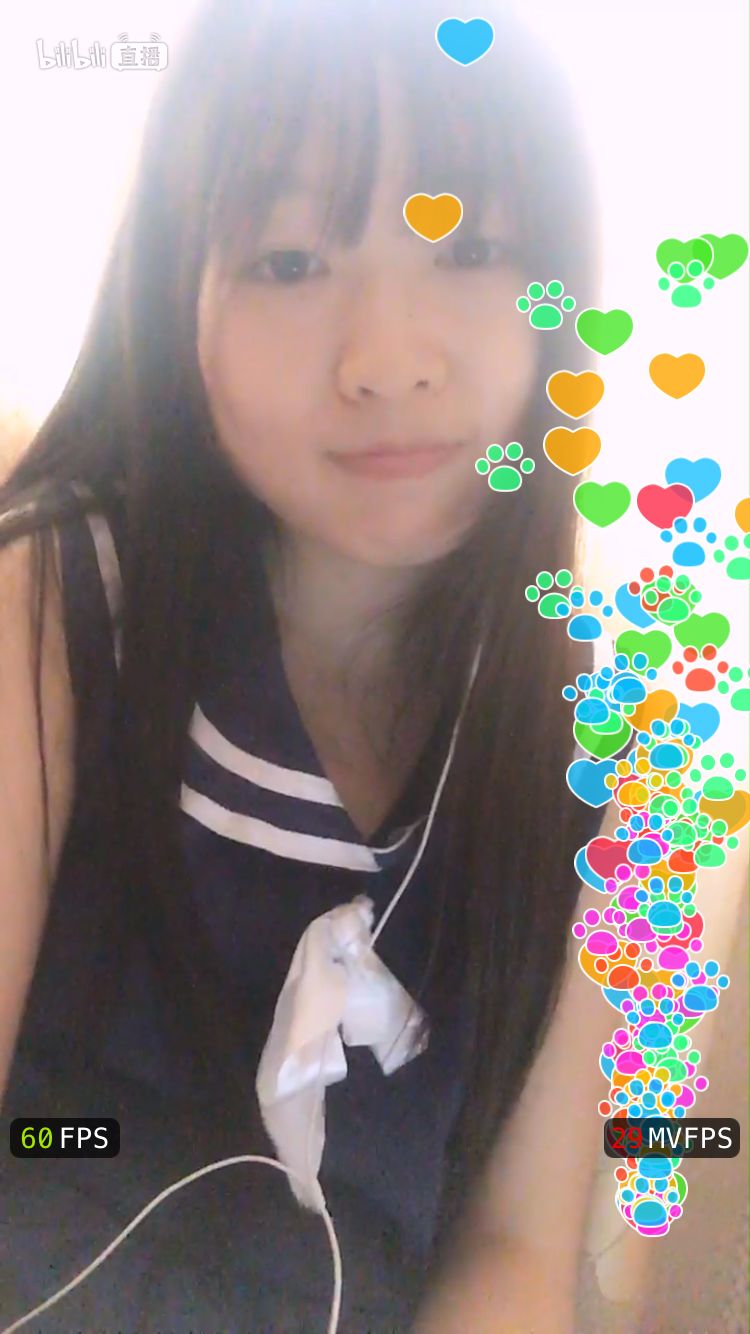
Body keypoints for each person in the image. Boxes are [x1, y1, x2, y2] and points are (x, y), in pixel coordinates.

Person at [0, 0, 619, 1329]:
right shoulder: (48, 613)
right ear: (178, 296)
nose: (387, 362)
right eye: (288, 261)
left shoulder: (604, 745)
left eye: (472, 248)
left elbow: (515, 1246)